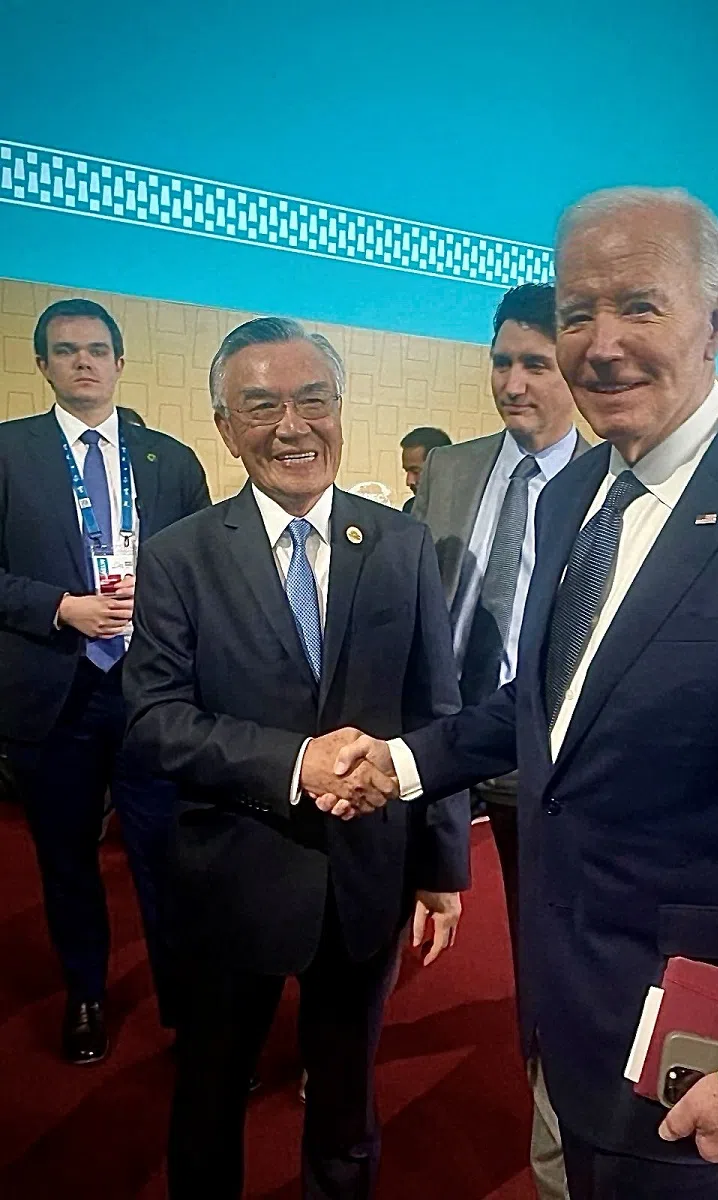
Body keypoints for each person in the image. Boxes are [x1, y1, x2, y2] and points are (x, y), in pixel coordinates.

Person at [314, 187, 718, 1200]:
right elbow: (549, 707)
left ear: (717, 319)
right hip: (556, 991)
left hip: (700, 1042)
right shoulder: (578, 495)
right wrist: (405, 762)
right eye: (578, 313)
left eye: (641, 305)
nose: (603, 343)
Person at [121, 317, 470, 1200]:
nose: (292, 426)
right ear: (225, 426)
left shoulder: (399, 545)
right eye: (262, 407)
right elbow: (156, 721)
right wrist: (294, 764)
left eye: (313, 401)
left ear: (340, 411)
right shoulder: (179, 556)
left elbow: (437, 711)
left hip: (364, 877)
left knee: (347, 1103)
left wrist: (441, 867)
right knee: (208, 1094)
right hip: (229, 877)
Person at [0, 298, 210, 1064]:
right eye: (65, 350)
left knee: (166, 854)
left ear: (121, 363)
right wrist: (62, 607)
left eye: (96, 349)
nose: (83, 362)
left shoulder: (170, 460)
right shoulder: (7, 452)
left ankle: (187, 1003)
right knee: (66, 856)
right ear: (44, 365)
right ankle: (86, 992)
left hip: (150, 691)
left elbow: (204, 576)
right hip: (53, 691)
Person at [412, 281, 587, 1199]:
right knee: (376, 911)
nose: (513, 383)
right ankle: (336, 1055)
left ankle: (547, 1104)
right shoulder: (451, 468)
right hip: (440, 742)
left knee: (540, 947)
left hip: (541, 765)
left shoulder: (608, 488)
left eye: (535, 364)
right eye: (501, 362)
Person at [399, 426, 451, 512]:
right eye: (407, 472)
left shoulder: (469, 509)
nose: (409, 481)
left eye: (415, 471)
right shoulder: (411, 508)